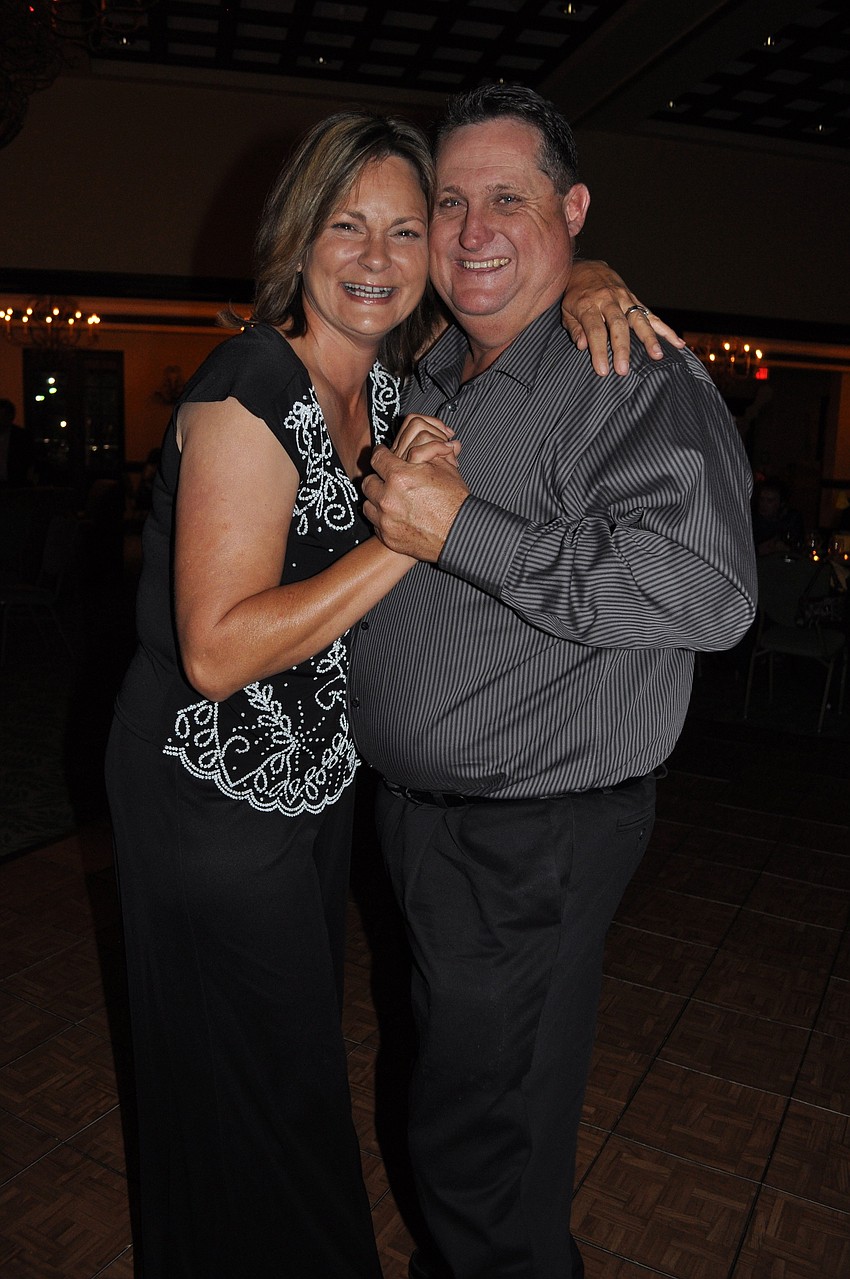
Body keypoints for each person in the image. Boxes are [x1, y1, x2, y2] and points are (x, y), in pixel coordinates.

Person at [104, 105, 667, 1279]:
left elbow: (521, 277)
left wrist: (590, 273)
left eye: (405, 231)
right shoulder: (250, 381)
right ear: (297, 237)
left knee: (276, 1073)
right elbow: (215, 650)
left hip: (309, 801)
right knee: (259, 1092)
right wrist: (409, 539)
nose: (375, 257)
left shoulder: (394, 384)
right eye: (344, 226)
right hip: (212, 804)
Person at [352, 84, 757, 1279]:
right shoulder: (434, 369)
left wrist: (459, 527)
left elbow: (707, 596)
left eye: (511, 201)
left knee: (482, 1141)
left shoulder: (631, 377)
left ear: (572, 209)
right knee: (470, 1117)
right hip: (431, 826)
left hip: (532, 836)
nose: (474, 230)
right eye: (451, 202)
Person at [751, 476, 804, 555]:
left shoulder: (791, 520)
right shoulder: (752, 520)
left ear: (781, 503)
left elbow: (799, 547)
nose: (763, 505)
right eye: (762, 499)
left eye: (770, 501)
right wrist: (758, 550)